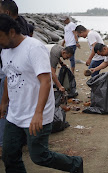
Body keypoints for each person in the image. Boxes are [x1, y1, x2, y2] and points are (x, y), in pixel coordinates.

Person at [0, 14, 83, 172]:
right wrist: (4, 102)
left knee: (39, 156)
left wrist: (38, 113)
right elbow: (8, 76)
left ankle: (75, 164)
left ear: (11, 32)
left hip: (36, 113)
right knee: (9, 155)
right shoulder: (5, 51)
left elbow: (46, 81)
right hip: (14, 114)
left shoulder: (33, 48)